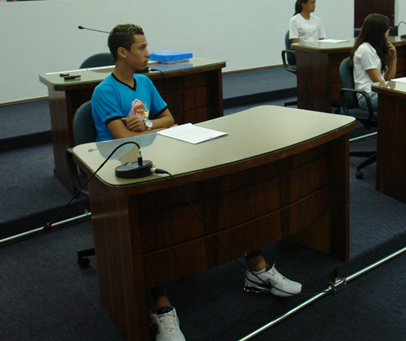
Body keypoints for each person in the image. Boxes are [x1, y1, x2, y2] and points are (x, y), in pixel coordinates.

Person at [91, 23, 302, 341]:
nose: (149, 53)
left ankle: (257, 268)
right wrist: (148, 128)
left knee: (224, 190)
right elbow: (120, 136)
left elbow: (169, 120)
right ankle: (160, 304)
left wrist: (145, 124)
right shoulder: (104, 91)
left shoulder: (145, 82)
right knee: (152, 221)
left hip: (161, 157)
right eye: (142, 48)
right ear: (123, 52)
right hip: (122, 172)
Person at [350, 14, 396, 112]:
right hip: (368, 96)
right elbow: (378, 81)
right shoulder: (365, 50)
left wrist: (393, 59)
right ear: (378, 31)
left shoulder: (375, 49)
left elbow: (388, 79)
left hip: (378, 93)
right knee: (401, 103)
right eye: (386, 28)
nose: (388, 30)